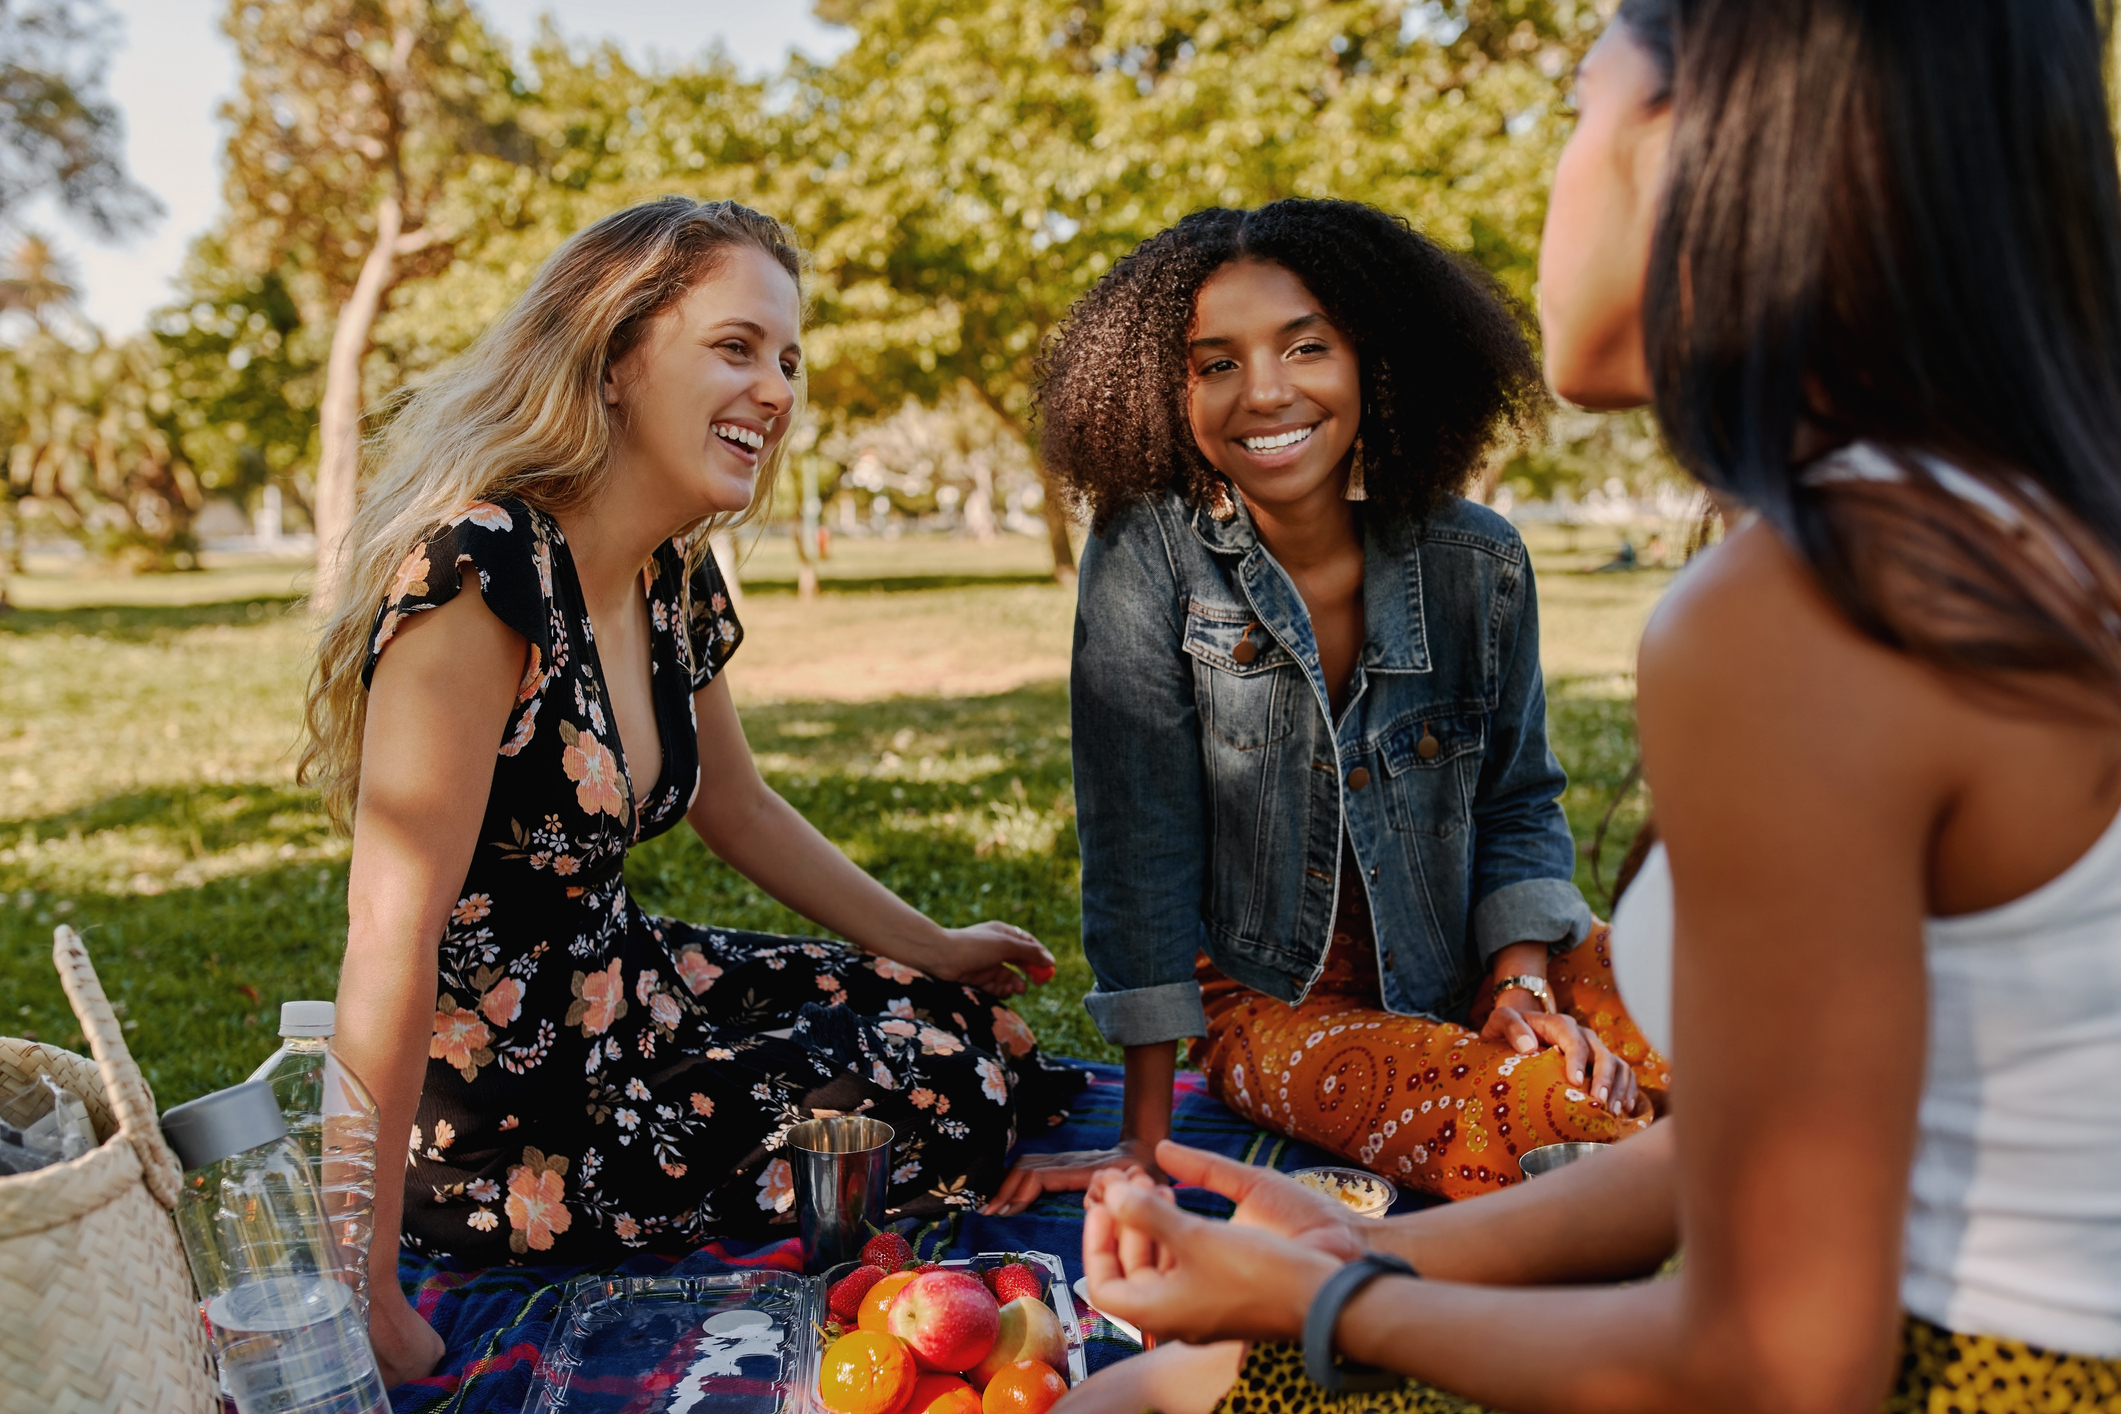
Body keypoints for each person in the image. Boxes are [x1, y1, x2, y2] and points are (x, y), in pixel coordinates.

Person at [1066, 0, 2121, 1410]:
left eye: (1573, 105)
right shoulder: (2014, 525)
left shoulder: (1802, 607)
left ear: (1696, 144)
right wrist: (1367, 1256)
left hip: (1986, 1376)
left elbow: (1779, 1365)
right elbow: (1727, 1155)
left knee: (1145, 1394)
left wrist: (1332, 1304)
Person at [301, 197, 1083, 1385]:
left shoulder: (673, 573)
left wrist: (937, 945)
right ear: (616, 357)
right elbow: (386, 936)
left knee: (958, 1021)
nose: (775, 388)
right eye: (735, 346)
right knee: (940, 1085)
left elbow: (740, 805)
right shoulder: (479, 572)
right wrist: (353, 1285)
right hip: (513, 1115)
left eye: (787, 358)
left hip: (636, 992)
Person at [985, 198, 1666, 1218]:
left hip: (1477, 956)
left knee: (1738, 1006)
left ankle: (1687, 1143)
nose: (1264, 392)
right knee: (1541, 1110)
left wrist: (1525, 990)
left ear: (1372, 360)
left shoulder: (1481, 559)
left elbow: (1518, 802)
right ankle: (1652, 1167)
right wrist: (1141, 1138)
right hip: (1271, 1004)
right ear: (1165, 395)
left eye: (1306, 347)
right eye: (1215, 364)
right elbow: (1139, 853)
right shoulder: (1147, 557)